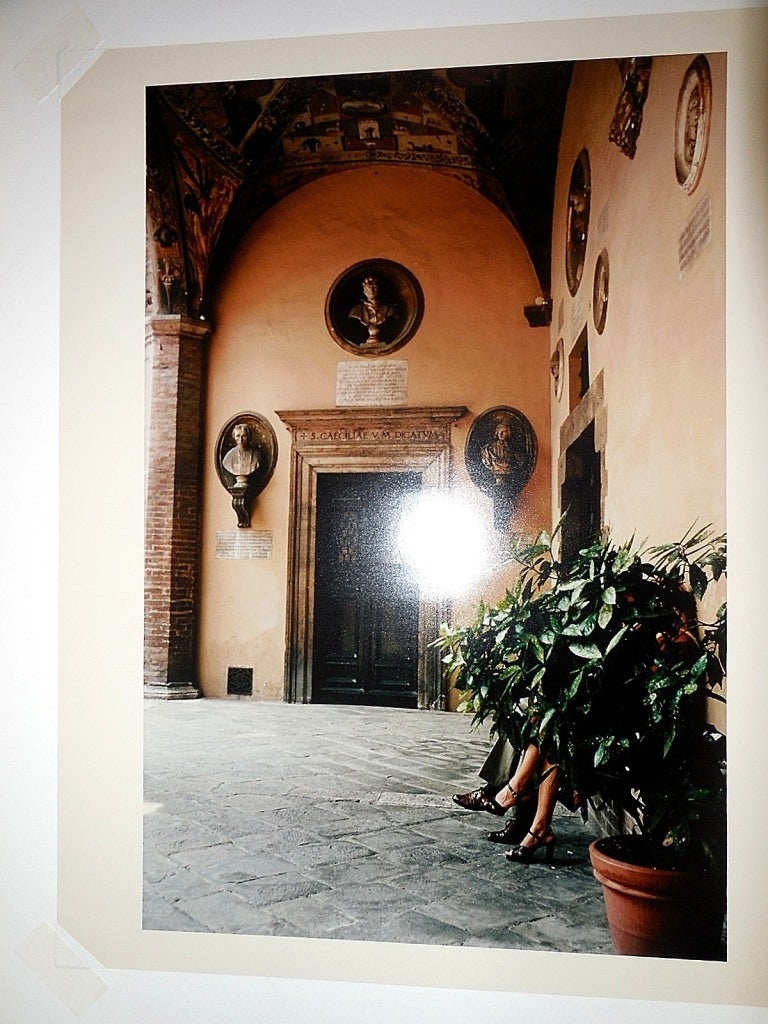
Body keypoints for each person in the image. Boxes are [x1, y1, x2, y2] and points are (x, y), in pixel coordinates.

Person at [348, 275, 396, 341]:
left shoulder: (388, 309)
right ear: (364, 290)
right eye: (369, 287)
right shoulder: (357, 310)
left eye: (374, 287)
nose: (371, 290)